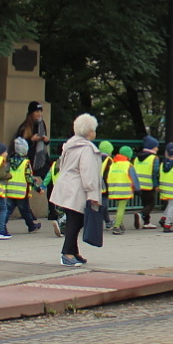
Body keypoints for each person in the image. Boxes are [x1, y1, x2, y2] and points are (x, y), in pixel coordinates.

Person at [49, 113, 104, 267]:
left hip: (65, 186)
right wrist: (93, 194)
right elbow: (89, 173)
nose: (95, 132)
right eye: (93, 129)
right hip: (77, 190)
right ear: (89, 132)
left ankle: (74, 251)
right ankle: (67, 253)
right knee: (76, 221)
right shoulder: (87, 149)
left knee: (74, 219)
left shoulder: (69, 146)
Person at [4, 137, 43, 233]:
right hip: (21, 191)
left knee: (8, 210)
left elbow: (12, 174)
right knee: (25, 210)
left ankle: (2, 225)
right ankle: (31, 226)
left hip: (11, 189)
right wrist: (37, 188)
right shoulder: (26, 162)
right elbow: (28, 178)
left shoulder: (11, 161)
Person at [106, 146, 139, 235]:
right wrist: (137, 189)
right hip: (124, 190)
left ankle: (120, 223)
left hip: (113, 190)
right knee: (121, 208)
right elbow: (134, 178)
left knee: (118, 208)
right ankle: (117, 226)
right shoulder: (128, 165)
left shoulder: (113, 164)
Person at [132, 135, 160, 230]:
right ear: (152, 147)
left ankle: (146, 222)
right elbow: (155, 173)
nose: (157, 148)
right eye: (156, 146)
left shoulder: (136, 158)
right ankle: (141, 214)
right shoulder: (154, 158)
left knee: (145, 203)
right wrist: (156, 185)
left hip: (139, 185)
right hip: (149, 185)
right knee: (151, 204)